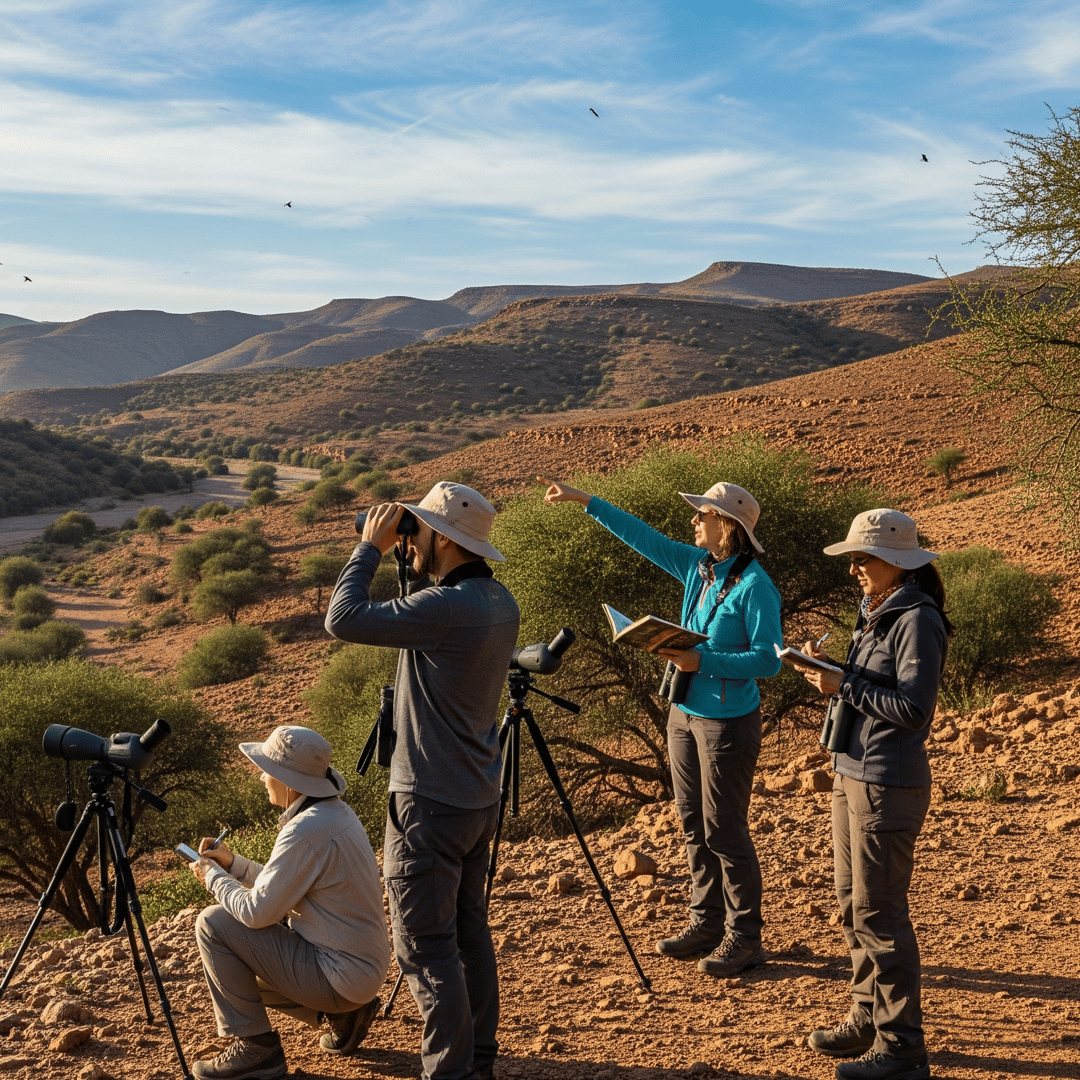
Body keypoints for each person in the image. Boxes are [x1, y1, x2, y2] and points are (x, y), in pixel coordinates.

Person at [538, 476, 782, 977]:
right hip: (684, 713)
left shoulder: (757, 587)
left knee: (724, 830)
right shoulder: (699, 567)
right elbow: (642, 536)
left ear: (727, 526)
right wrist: (586, 501)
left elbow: (768, 659)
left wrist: (702, 660)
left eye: (703, 515)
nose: (694, 520)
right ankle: (706, 921)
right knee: (693, 822)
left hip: (726, 722)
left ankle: (745, 936)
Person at [324, 481, 520, 1080]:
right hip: (475, 795)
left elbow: (343, 619)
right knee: (466, 933)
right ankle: (477, 1060)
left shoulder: (443, 610)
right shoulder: (497, 601)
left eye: (418, 529)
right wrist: (410, 560)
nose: (408, 538)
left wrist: (369, 549)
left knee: (425, 947)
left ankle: (451, 1072)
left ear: (443, 537)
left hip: (428, 802)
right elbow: (417, 621)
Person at [794, 509, 951, 1080]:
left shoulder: (916, 619)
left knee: (880, 914)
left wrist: (845, 684)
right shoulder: (878, 612)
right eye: (853, 559)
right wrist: (830, 668)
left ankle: (903, 1049)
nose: (854, 569)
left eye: (863, 559)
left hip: (887, 781)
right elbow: (878, 688)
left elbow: (914, 711)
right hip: (853, 774)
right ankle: (868, 1015)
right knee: (850, 904)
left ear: (898, 562)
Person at [188, 725, 390, 1080]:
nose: (263, 777)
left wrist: (211, 876)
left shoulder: (303, 831)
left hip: (340, 977)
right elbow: (287, 885)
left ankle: (255, 1050)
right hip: (361, 972)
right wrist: (233, 865)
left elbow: (256, 912)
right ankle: (346, 1015)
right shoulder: (333, 814)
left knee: (213, 924)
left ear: (288, 781)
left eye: (268, 770)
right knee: (245, 932)